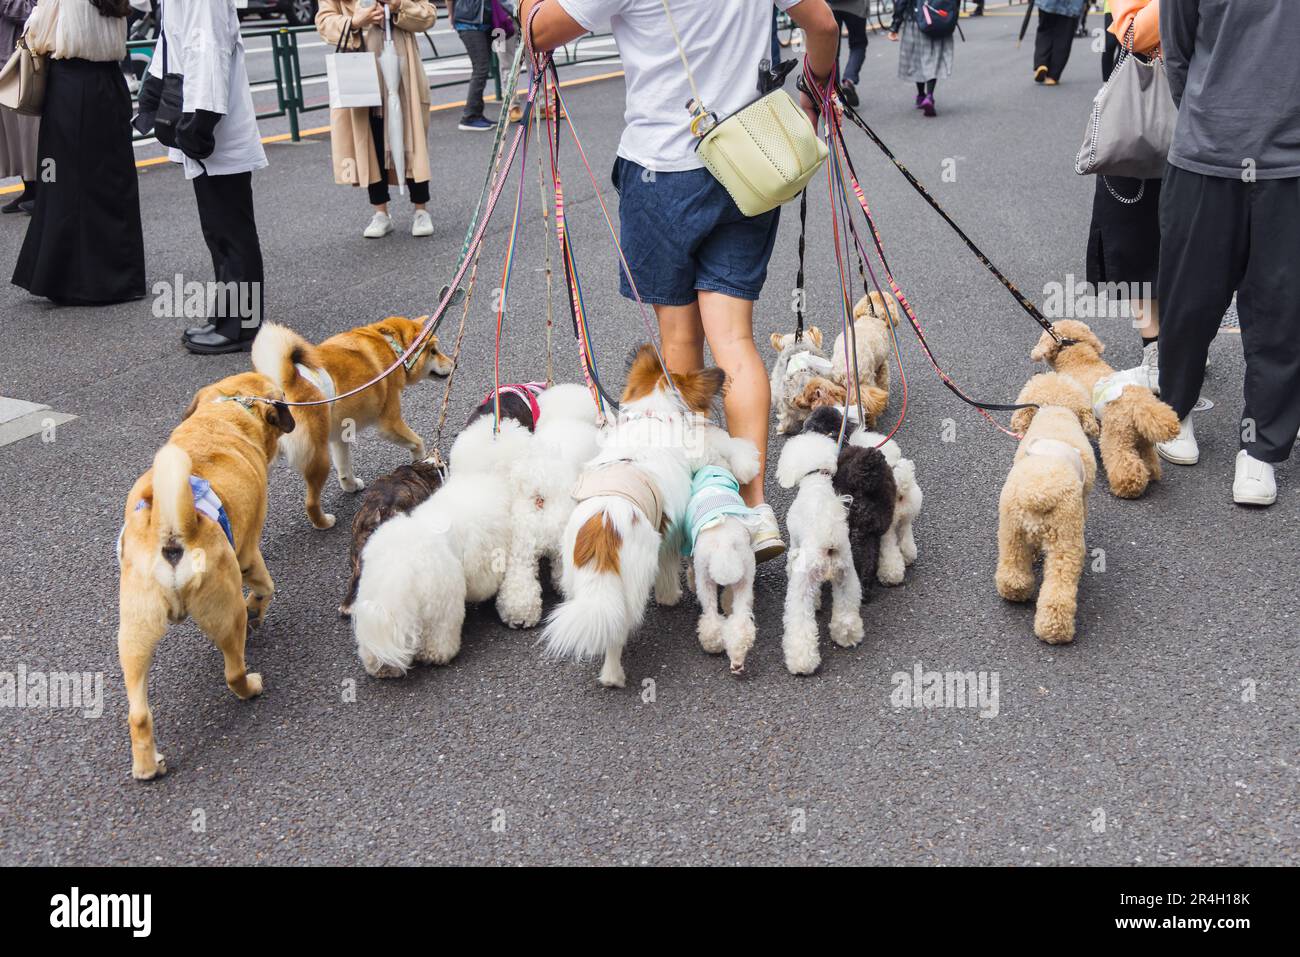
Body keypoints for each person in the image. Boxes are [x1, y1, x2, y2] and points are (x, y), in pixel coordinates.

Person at [521, 0, 840, 562]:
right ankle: (754, 506)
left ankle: (700, 509)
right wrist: (812, 96)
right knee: (736, 342)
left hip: (661, 171)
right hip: (747, 162)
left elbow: (539, 30)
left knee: (679, 344)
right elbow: (824, 24)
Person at [1154, 0, 1300, 506]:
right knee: (1186, 303)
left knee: (1281, 313)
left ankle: (1261, 449)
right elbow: (1177, 50)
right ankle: (1174, 410)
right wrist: (1206, 116)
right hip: (1206, 150)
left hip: (1292, 160)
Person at [144, 0, 269, 355]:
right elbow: (174, 41)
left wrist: (201, 119)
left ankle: (242, 326)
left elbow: (209, 51)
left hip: (215, 123)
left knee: (231, 228)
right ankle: (230, 318)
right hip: (203, 116)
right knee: (219, 229)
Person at [12, 0, 145, 305]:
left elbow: (36, 33)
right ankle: (122, 277)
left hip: (71, 86)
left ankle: (71, 279)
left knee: (63, 182)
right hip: (110, 84)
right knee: (113, 183)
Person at [1085, 0, 1161, 390]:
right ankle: (1156, 352)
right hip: (1142, 111)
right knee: (1131, 235)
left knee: (1203, 245)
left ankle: (1185, 340)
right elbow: (1133, 33)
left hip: (1210, 116)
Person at [316, 0, 438, 239]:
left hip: (404, 68)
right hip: (360, 65)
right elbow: (324, 22)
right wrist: (354, 21)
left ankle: (421, 209)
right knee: (370, 136)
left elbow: (429, 15)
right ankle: (380, 211)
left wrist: (398, 5)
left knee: (410, 135)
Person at [452, 0, 521, 131]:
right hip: (470, 23)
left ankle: (476, 113)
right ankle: (470, 116)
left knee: (483, 68)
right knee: (481, 69)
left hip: (488, 23)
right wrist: (452, 16)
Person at [0, 1, 40, 214]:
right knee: (13, 137)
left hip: (23, 61)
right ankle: (29, 189)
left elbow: (33, 12)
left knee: (29, 134)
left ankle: (43, 191)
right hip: (6, 61)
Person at [888, 0, 954, 117]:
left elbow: (902, 2)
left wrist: (895, 25)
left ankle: (921, 95)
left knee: (917, 58)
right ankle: (929, 95)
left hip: (917, 19)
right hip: (939, 18)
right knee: (933, 58)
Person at [1032, 0, 1085, 85]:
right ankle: (1053, 75)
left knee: (1045, 30)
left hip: (1048, 3)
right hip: (1072, 5)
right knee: (1064, 37)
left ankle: (1041, 63)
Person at [827, 0, 867, 106]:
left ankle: (834, 93)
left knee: (832, 52)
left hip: (831, 7)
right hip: (856, 7)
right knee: (858, 45)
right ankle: (849, 80)